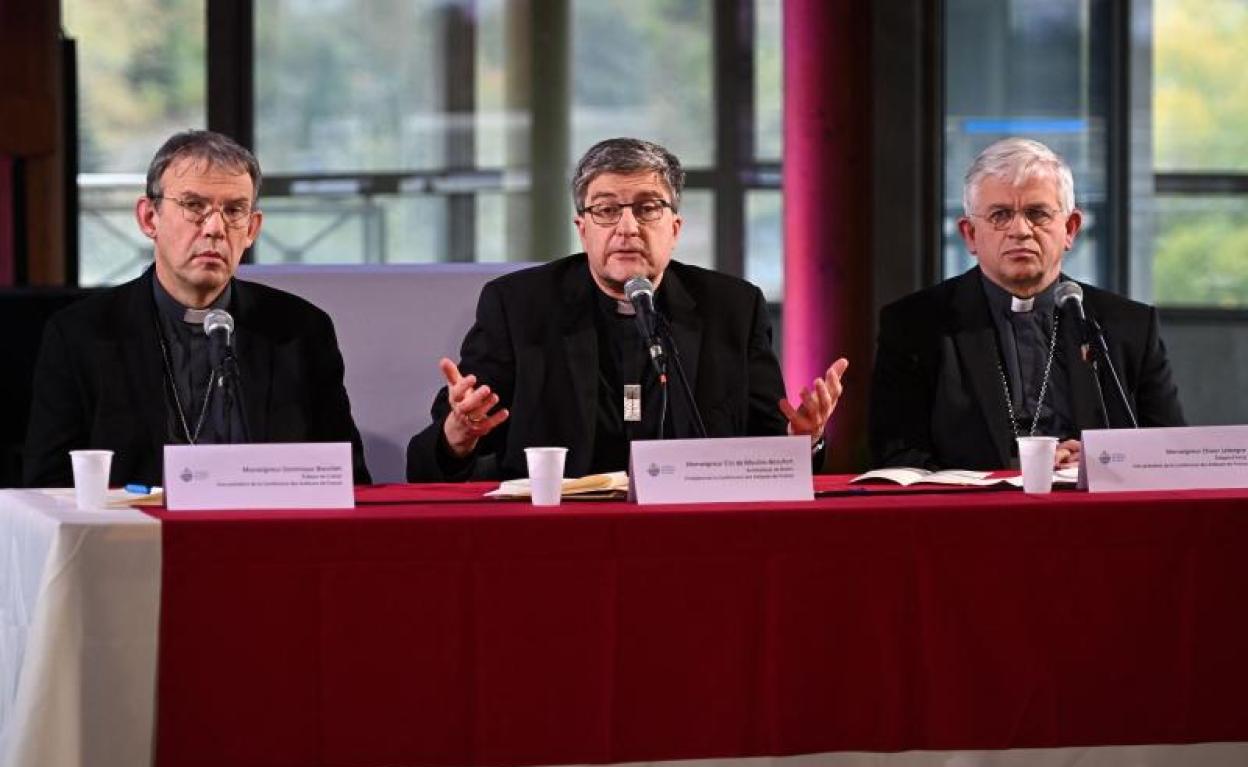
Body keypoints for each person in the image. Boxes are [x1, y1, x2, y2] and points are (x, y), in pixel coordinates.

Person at [407, 137, 848, 481]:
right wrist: (458, 435)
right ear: (582, 229)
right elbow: (432, 461)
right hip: (555, 533)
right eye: (606, 210)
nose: (627, 226)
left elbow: (768, 448)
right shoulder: (518, 306)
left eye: (647, 207)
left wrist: (802, 442)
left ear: (674, 228)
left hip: (691, 529)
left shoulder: (732, 308)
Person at [24, 129, 371, 487]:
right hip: (138, 539)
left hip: (268, 537)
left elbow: (348, 479)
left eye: (234, 210)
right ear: (149, 218)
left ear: (252, 229)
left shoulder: (299, 331)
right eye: (194, 206)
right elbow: (48, 487)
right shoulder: (81, 333)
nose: (215, 228)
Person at [869, 137, 1183, 471]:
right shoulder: (915, 326)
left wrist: (1098, 464)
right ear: (970, 234)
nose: (1020, 230)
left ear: (1070, 229)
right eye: (1000, 215)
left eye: (1037, 214)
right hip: (973, 519)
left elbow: (1171, 452)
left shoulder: (1129, 327)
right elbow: (896, 457)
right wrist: (1023, 467)